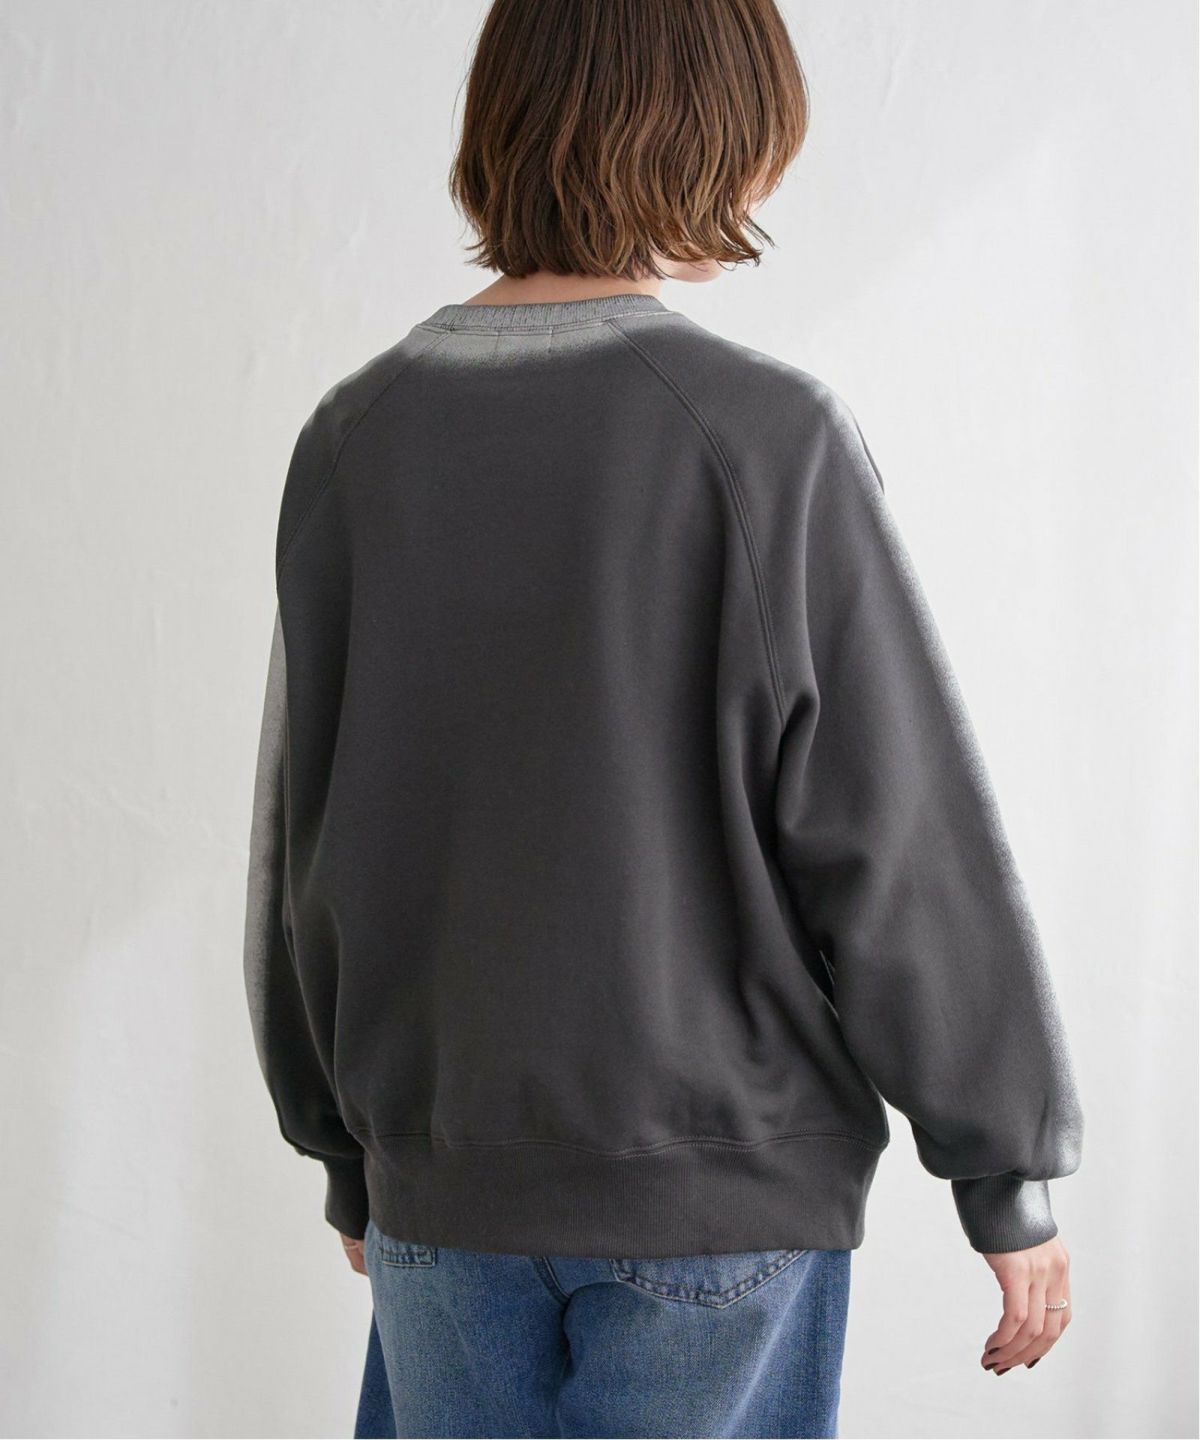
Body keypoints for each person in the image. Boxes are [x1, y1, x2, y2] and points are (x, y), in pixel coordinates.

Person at [242, 1, 1084, 1435]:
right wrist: (1004, 1170)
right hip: (719, 1188)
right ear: (708, 138)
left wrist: (344, 1151)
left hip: (443, 1183)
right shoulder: (762, 435)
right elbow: (896, 833)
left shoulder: (352, 439)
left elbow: (301, 839)